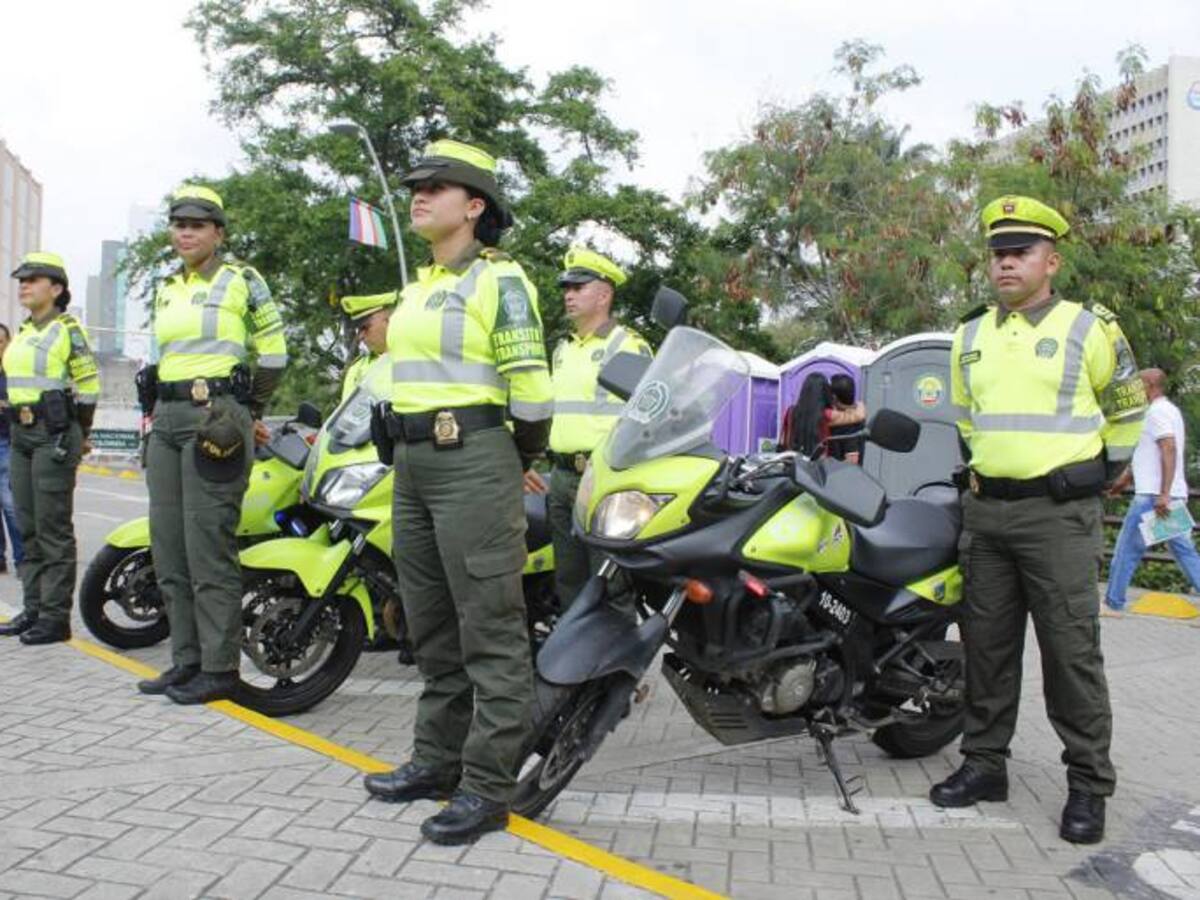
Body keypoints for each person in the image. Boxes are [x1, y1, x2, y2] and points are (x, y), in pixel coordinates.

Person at [933, 195, 1146, 845]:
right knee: (986, 651)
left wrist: (1095, 474)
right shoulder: (969, 335)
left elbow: (1128, 408)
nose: (1005, 264)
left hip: (1059, 515)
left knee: (1069, 656)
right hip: (986, 512)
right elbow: (966, 419)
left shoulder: (1091, 328)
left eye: (1020, 252)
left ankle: (1088, 786)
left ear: (1050, 261)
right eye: (997, 253)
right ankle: (984, 765)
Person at [361, 140, 553, 845]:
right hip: (411, 466)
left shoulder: (498, 281)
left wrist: (511, 459)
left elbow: (532, 395)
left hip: (472, 458)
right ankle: (436, 763)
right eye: (417, 185)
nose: (419, 195)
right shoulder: (419, 286)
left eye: (436, 187)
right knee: (431, 624)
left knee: (491, 630)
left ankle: (487, 788)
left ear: (474, 207)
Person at [135, 185, 288, 704]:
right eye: (178, 223)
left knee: (208, 546)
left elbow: (274, 351)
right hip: (169, 416)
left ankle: (220, 669)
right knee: (169, 546)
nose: (185, 232)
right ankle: (186, 661)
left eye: (197, 225)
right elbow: (159, 355)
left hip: (216, 415)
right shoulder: (165, 287)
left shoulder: (243, 280)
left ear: (218, 233)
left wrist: (250, 410)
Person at [523, 246, 651, 607]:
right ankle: (574, 661)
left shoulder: (626, 345)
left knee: (610, 584)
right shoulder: (562, 349)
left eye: (579, 287)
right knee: (569, 581)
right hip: (561, 477)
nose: (568, 294)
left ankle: (616, 663)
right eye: (566, 287)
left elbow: (648, 419)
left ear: (605, 294)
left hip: (605, 479)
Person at [0, 253, 99, 643]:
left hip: (53, 433)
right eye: (22, 280)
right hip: (21, 434)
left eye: (34, 279)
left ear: (56, 289)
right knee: (28, 526)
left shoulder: (67, 330)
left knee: (53, 527)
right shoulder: (24, 331)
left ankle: (55, 618)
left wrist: (81, 432)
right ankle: (34, 609)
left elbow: (88, 387)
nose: (24, 285)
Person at [1103, 368, 1200, 610]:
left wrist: (1162, 494)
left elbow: (1168, 448)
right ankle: (1114, 601)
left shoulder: (1156, 413)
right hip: (1169, 495)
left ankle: (1113, 603)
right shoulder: (1169, 411)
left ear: (1149, 385)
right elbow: (1149, 454)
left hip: (1153, 498)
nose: (1135, 389)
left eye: (1138, 384)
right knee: (1184, 552)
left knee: (1126, 550)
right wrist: (1124, 480)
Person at [338, 291, 396, 401]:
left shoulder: (418, 355)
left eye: (365, 327)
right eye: (358, 330)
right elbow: (348, 416)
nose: (360, 336)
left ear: (388, 320)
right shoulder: (356, 370)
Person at [0, 323, 25, 573]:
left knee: (10, 503)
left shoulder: (15, 375)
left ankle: (22, 560)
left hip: (7, 442)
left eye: (0, 342)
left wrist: (4, 407)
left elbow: (23, 408)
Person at [828, 373, 866, 464]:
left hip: (838, 475)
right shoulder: (858, 415)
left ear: (834, 397)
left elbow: (852, 460)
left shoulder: (847, 424)